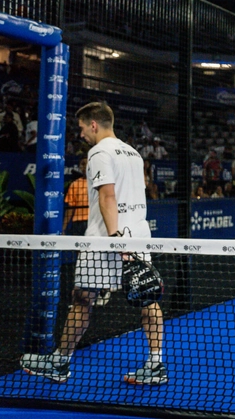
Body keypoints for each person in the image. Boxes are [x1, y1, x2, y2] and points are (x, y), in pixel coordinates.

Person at [20, 101, 166, 385]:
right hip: (136, 237)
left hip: (106, 241)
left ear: (94, 124)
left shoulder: (99, 152)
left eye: (82, 127)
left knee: (81, 299)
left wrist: (115, 240)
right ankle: (156, 364)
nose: (81, 134)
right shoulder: (134, 153)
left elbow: (108, 196)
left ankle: (60, 363)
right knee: (147, 298)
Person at [63, 157, 89, 236]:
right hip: (77, 223)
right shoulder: (74, 184)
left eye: (86, 164)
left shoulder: (99, 183)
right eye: (82, 164)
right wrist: (63, 228)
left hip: (93, 222)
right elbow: (70, 208)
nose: (83, 167)